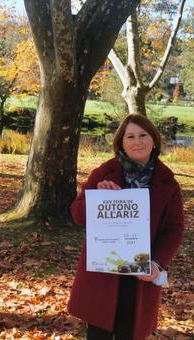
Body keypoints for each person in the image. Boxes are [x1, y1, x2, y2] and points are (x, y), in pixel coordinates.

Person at [68, 114, 185, 339]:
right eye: (130, 136)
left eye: (143, 135)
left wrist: (157, 262)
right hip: (104, 272)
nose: (137, 141)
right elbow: (77, 215)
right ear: (121, 142)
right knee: (98, 334)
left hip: (141, 273)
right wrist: (97, 199)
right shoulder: (103, 173)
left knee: (130, 333)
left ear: (154, 141)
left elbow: (174, 229)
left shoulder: (167, 181)